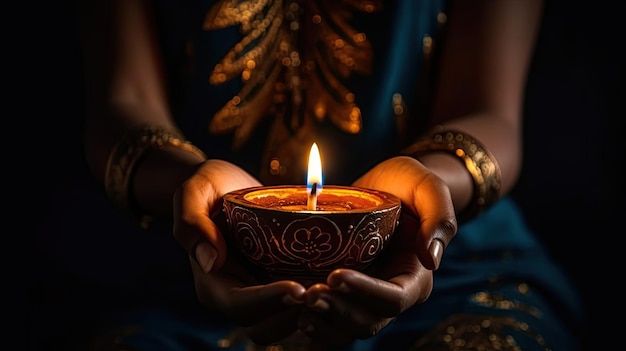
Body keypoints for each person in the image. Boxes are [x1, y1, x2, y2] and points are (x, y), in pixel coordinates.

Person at [35, 0, 585, 350]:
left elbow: (495, 115)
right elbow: (122, 102)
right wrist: (193, 189)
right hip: (184, 273)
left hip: (447, 271)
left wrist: (427, 190)